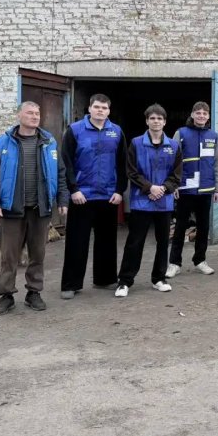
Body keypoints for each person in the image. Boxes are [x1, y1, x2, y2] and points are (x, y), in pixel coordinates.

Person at [0, 101, 69, 316]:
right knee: (9, 256)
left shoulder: (49, 142)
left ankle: (34, 292)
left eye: (37, 113)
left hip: (40, 208)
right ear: (19, 116)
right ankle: (6, 295)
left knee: (37, 254)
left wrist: (63, 200)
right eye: (30, 113)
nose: (34, 116)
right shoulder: (2, 143)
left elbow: (60, 173)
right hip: (11, 209)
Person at [60, 94, 127, 300]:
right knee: (76, 241)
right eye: (97, 107)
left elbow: (122, 163)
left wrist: (119, 190)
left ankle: (105, 279)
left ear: (109, 111)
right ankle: (71, 284)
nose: (100, 111)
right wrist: (73, 189)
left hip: (108, 195)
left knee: (107, 240)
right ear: (89, 108)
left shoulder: (116, 132)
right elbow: (66, 162)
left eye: (104, 108)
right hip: (82, 195)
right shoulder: (74, 130)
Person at [114, 104, 182, 298]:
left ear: (164, 122)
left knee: (162, 242)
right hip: (141, 201)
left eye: (159, 118)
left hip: (164, 202)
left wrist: (163, 189)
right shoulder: (136, 143)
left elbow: (177, 174)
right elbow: (131, 171)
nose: (156, 121)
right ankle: (125, 281)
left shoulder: (174, 146)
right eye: (152, 118)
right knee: (134, 242)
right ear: (147, 121)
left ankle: (159, 279)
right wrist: (149, 188)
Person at [167, 101, 218, 276]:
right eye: (198, 113)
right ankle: (174, 263)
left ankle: (200, 260)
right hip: (185, 188)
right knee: (180, 227)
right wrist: (173, 184)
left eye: (204, 113)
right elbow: (172, 161)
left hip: (205, 189)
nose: (201, 116)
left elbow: (217, 163)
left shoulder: (213, 135)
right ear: (192, 115)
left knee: (203, 227)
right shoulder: (181, 133)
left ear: (208, 116)